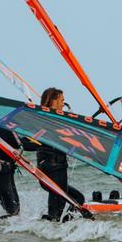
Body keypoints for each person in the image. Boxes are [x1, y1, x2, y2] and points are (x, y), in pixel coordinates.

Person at [33, 88, 85, 221]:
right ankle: (62, 228)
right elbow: (31, 143)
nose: (63, 104)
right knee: (62, 210)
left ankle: (51, 230)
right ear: (54, 101)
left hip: (45, 171)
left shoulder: (41, 118)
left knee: (75, 200)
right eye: (62, 100)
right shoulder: (52, 121)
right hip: (56, 170)